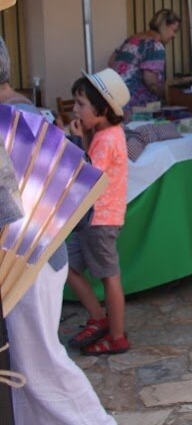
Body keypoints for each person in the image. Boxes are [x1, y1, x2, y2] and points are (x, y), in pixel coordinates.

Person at [0, 39, 116, 423]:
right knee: (27, 367)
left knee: (39, 364)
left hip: (25, 257)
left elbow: (15, 209)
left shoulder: (13, 120)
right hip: (33, 256)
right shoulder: (26, 115)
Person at [65, 68, 131, 355]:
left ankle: (117, 336)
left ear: (102, 109)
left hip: (100, 220)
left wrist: (77, 142)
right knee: (67, 265)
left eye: (81, 104)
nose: (75, 110)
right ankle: (97, 317)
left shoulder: (106, 139)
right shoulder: (105, 132)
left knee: (109, 276)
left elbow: (87, 176)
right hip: (91, 218)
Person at [109, 8, 180, 111]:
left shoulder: (132, 39)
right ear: (165, 26)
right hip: (136, 106)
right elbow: (151, 82)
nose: (174, 36)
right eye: (174, 30)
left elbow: (111, 62)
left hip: (116, 100)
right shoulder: (155, 45)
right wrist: (170, 96)